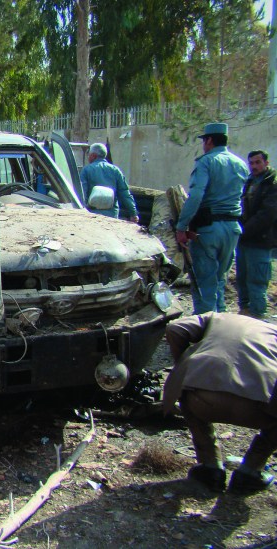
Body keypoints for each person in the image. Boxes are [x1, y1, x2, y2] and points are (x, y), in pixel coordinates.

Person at [162, 312, 277, 493]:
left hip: (203, 401)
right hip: (258, 407)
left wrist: (183, 364)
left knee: (185, 389)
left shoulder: (216, 317)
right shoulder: (274, 332)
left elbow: (175, 328)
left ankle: (210, 469)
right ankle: (249, 473)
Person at [175, 122, 249, 314]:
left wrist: (181, 226)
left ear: (209, 140)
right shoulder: (240, 164)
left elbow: (197, 195)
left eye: (204, 141)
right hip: (232, 227)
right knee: (219, 280)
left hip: (208, 229)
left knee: (204, 284)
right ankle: (221, 324)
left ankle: (205, 331)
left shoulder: (206, 162)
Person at [236, 150, 277, 318]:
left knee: (257, 284)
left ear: (266, 163)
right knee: (242, 281)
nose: (254, 166)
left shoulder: (272, 184)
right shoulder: (250, 182)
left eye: (258, 162)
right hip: (245, 241)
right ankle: (244, 316)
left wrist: (244, 230)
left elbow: (267, 215)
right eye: (251, 163)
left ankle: (258, 322)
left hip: (261, 241)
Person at [79, 143, 139, 222]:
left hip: (92, 215)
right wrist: (133, 213)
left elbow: (82, 192)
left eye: (89, 155)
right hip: (111, 215)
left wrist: (81, 210)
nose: (88, 157)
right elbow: (124, 193)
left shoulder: (86, 170)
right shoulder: (115, 170)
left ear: (93, 156)